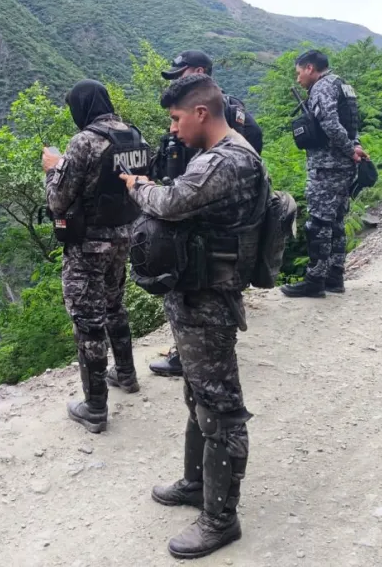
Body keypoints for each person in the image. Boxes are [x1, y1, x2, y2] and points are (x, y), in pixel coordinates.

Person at [121, 74, 266, 559]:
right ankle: (194, 482)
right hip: (196, 293)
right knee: (197, 393)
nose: (174, 128)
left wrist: (138, 185)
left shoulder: (224, 161)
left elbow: (170, 201)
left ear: (201, 113)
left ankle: (221, 519)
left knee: (220, 407)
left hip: (208, 299)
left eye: (177, 118)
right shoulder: (226, 153)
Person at [43, 80, 151, 433]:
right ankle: (126, 373)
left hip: (89, 244)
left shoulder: (85, 141)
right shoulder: (135, 136)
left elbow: (58, 200)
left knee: (88, 321)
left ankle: (95, 408)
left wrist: (52, 168)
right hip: (126, 236)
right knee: (114, 305)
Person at [149, 50, 264, 376]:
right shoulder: (219, 113)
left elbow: (174, 201)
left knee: (216, 392)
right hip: (202, 218)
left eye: (180, 74)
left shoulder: (221, 120)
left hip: (205, 235)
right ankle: (191, 354)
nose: (174, 127)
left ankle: (188, 356)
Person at [281, 50, 367, 298]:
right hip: (344, 166)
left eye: (299, 73)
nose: (298, 79)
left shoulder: (321, 87)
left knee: (318, 223)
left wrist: (351, 150)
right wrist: (355, 147)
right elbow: (351, 123)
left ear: (309, 68)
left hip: (327, 166)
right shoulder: (343, 85)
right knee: (337, 221)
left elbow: (330, 123)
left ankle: (314, 280)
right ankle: (334, 276)